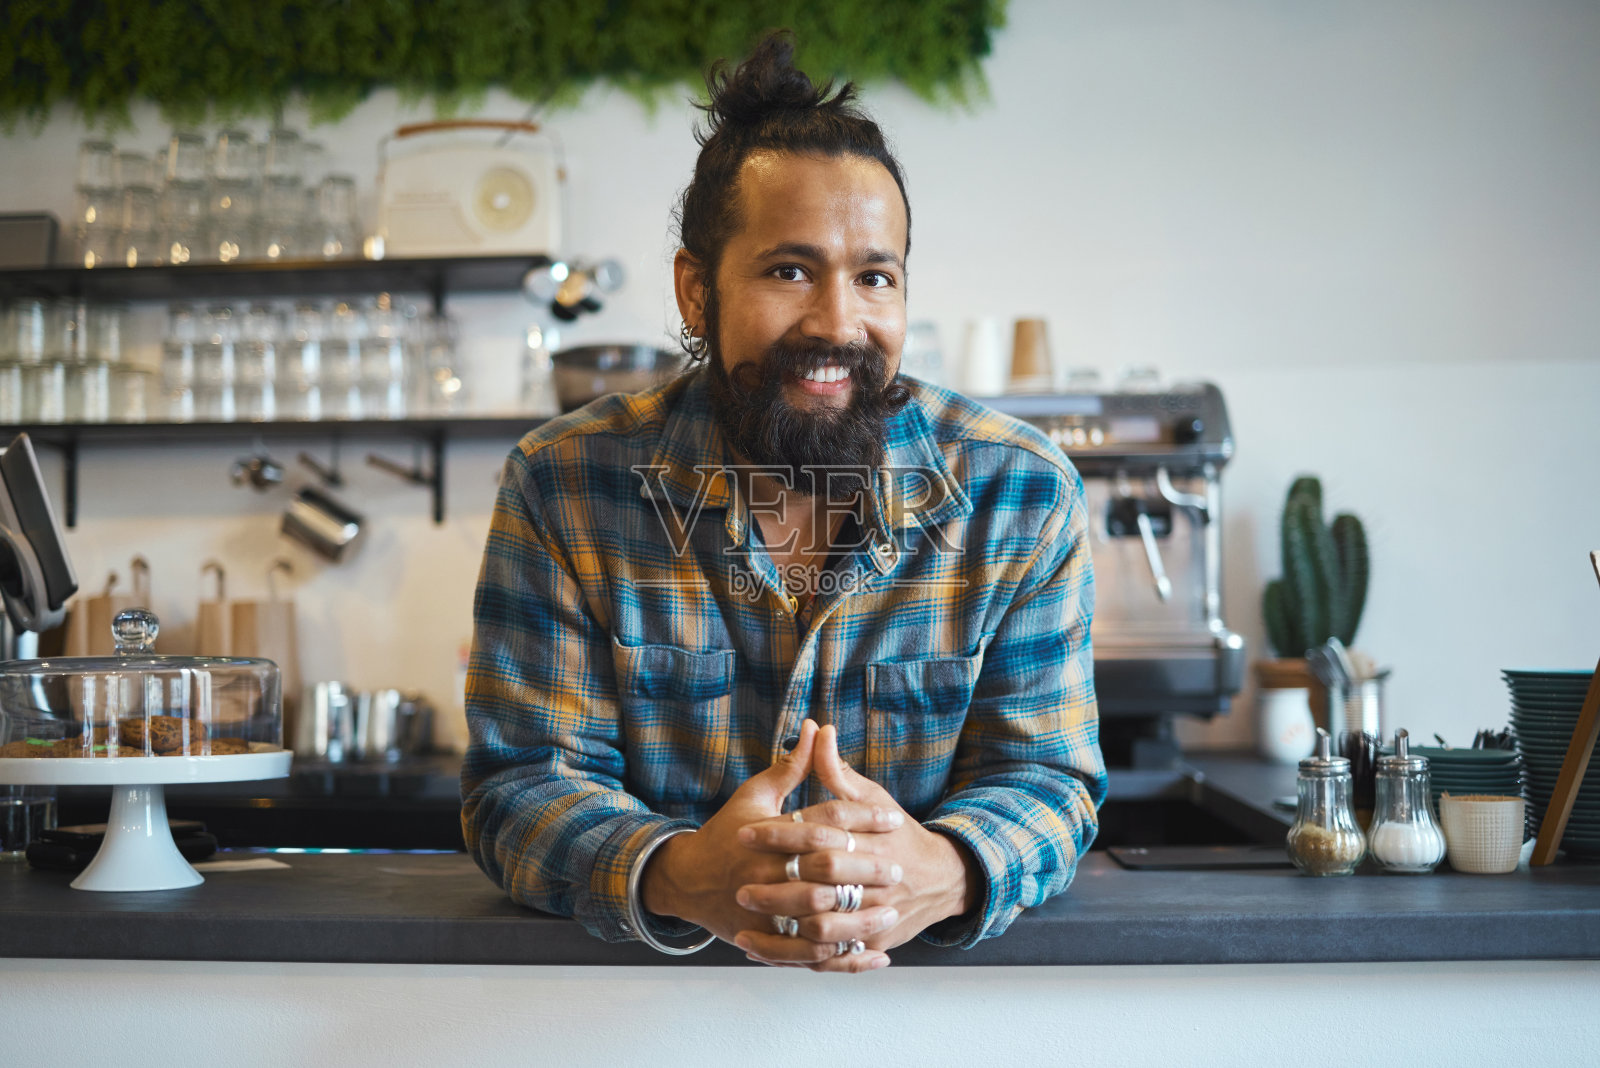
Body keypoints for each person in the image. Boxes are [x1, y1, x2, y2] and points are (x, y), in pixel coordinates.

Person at [462, 32, 1106, 973]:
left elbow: (1047, 781)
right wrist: (676, 873)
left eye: (874, 277)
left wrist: (947, 867)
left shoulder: (1020, 493)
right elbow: (519, 786)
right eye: (789, 270)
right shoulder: (565, 483)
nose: (838, 324)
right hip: (631, 1028)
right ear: (696, 290)